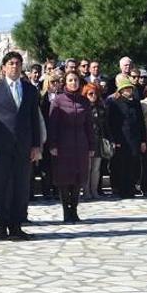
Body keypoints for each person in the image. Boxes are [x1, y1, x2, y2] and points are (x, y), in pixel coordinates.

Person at [0, 51, 41, 239]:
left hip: (23, 147)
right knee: (1, 187)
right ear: (4, 67)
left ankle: (16, 226)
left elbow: (34, 119)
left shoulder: (29, 89)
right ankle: (1, 226)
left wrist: (36, 145)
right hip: (0, 147)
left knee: (21, 187)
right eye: (11, 63)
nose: (15, 67)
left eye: (18, 63)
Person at [48, 72, 94, 222]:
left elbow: (89, 126)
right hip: (63, 145)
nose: (73, 82)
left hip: (80, 144)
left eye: (75, 80)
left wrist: (91, 145)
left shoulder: (84, 101)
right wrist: (53, 144)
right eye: (70, 80)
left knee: (77, 179)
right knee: (64, 179)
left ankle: (74, 210)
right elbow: (52, 125)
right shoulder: (58, 101)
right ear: (65, 82)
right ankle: (65, 211)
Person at [106, 79, 147, 198]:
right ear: (121, 90)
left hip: (135, 138)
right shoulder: (114, 103)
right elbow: (111, 123)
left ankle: (131, 188)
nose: (129, 91)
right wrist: (114, 140)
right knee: (122, 165)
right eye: (126, 89)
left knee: (133, 164)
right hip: (122, 139)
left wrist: (143, 140)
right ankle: (122, 189)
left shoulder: (136, 103)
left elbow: (141, 122)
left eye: (130, 88)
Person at [82, 83, 109, 200]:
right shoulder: (82, 107)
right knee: (86, 168)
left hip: (98, 140)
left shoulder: (101, 107)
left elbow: (106, 125)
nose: (93, 96)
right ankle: (86, 191)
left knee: (96, 168)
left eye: (95, 93)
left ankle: (94, 191)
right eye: (90, 94)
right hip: (86, 140)